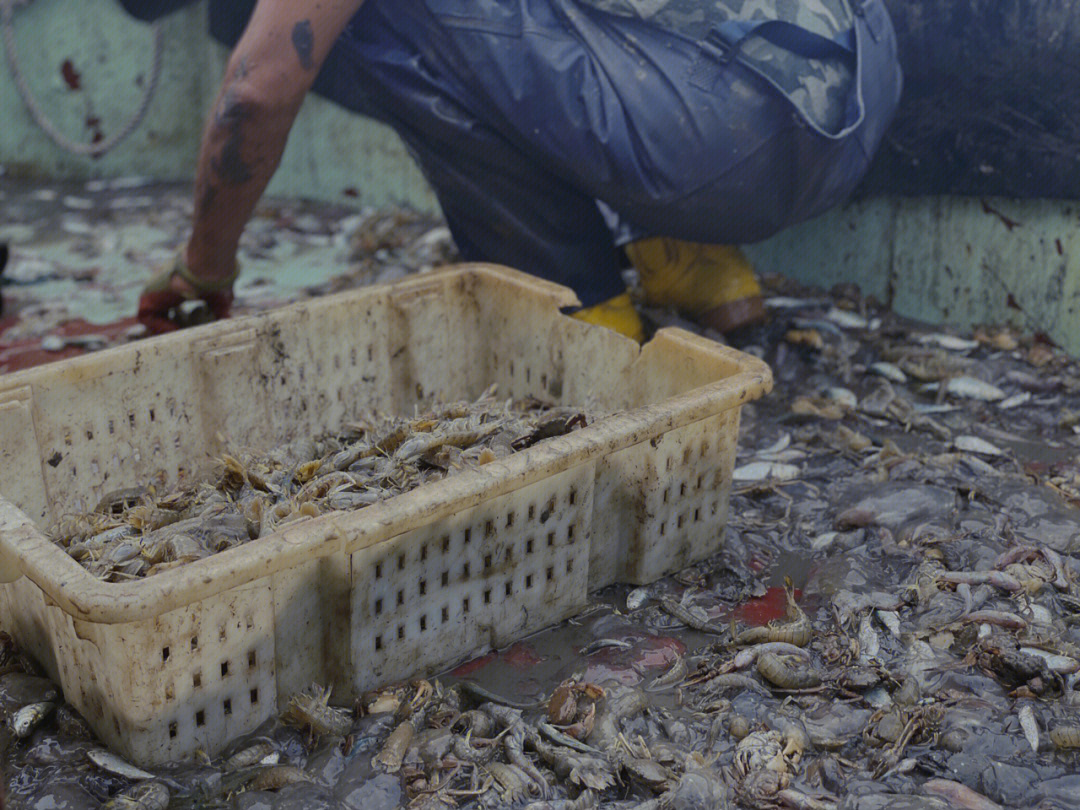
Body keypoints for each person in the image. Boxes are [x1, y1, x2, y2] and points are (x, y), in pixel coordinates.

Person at [137, 0, 902, 340]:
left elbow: (258, 88)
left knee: (370, 20)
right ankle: (692, 263)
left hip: (732, 134)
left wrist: (205, 266)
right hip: (854, 78)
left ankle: (583, 310)